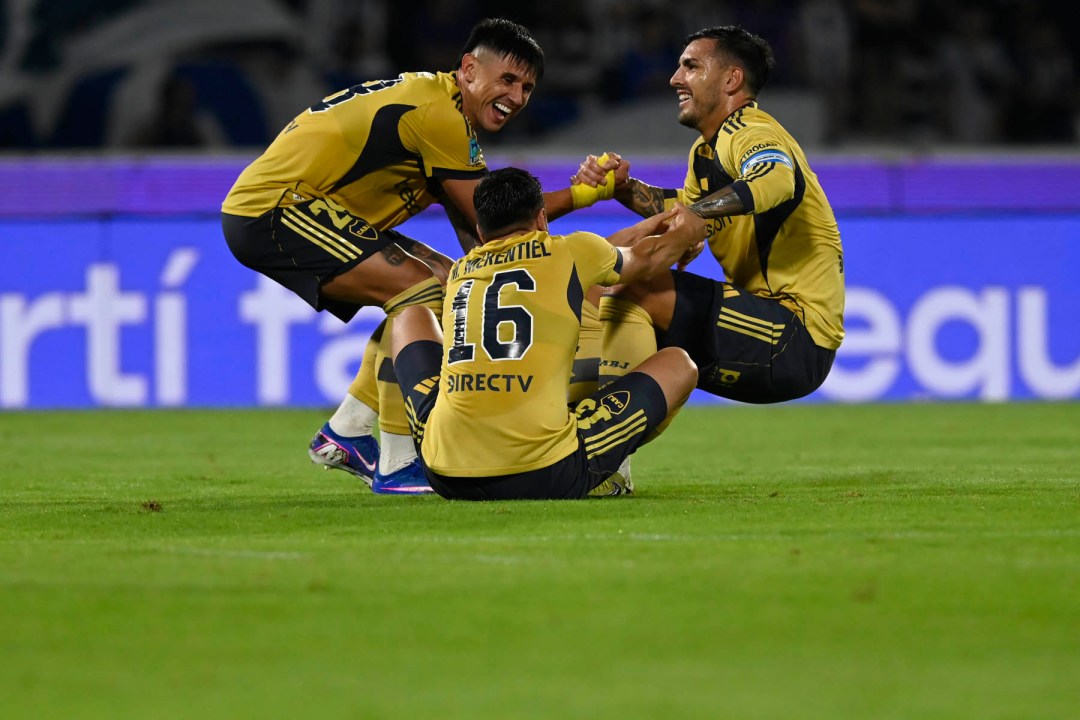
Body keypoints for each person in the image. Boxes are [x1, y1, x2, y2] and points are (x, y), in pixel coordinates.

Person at [222, 19, 599, 494]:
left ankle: (348, 429)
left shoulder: (444, 112)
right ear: (468, 69)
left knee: (450, 282)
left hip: (313, 208)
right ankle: (397, 458)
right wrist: (585, 194)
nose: (517, 96)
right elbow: (493, 213)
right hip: (274, 208)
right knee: (417, 289)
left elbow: (485, 242)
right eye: (507, 79)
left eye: (527, 88)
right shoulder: (437, 114)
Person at [575, 25, 844, 481]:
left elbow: (776, 179)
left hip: (795, 335)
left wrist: (694, 215)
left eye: (691, 66)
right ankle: (588, 447)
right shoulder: (706, 151)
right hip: (762, 329)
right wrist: (622, 187)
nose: (675, 78)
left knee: (635, 286)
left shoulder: (751, 129)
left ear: (731, 80)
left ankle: (598, 454)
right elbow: (682, 210)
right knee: (619, 296)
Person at [389, 168, 701, 500]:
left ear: (480, 230)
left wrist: (643, 229)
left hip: (445, 473)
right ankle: (609, 464)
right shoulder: (570, 252)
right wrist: (690, 228)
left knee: (410, 316)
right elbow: (646, 258)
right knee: (678, 364)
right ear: (541, 218)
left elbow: (600, 253)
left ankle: (396, 457)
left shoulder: (460, 272)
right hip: (545, 473)